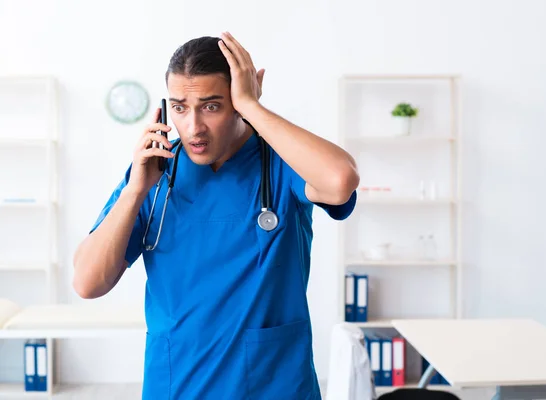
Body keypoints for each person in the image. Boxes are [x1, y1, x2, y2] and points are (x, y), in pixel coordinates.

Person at [73, 32, 359, 400]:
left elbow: (340, 181)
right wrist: (135, 192)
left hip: (273, 387)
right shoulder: (156, 175)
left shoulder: (281, 162)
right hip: (177, 387)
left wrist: (253, 106)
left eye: (212, 106)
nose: (193, 127)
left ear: (240, 99)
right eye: (179, 107)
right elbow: (86, 283)